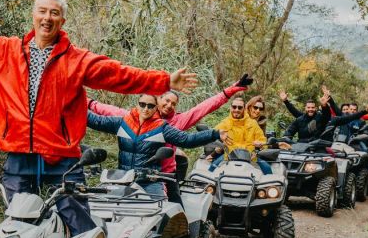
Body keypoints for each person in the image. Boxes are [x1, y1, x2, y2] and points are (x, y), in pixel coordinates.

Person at [0, 0, 199, 238]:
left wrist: (164, 81)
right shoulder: (5, 51)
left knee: (80, 225)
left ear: (62, 20)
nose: (47, 18)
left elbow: (119, 74)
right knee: (16, 227)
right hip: (18, 155)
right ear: (33, 15)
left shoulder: (77, 60)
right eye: (42, 11)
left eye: (54, 13)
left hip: (61, 157)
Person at [87, 72, 254, 201]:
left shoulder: (175, 123)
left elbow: (203, 110)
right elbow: (102, 112)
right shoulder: (129, 119)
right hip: (128, 176)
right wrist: (82, 101)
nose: (168, 105)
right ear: (157, 99)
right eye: (166, 101)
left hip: (163, 175)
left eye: (173, 103)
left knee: (175, 214)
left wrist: (230, 90)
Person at [86, 95, 226, 197]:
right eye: (142, 104)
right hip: (122, 179)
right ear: (137, 104)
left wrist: (214, 134)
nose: (146, 109)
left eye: (150, 106)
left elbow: (187, 140)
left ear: (156, 108)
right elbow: (95, 120)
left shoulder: (161, 127)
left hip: (150, 181)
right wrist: (70, 100)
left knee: (163, 217)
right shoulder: (122, 122)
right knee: (104, 211)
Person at [211, 95, 272, 174]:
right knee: (212, 168)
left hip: (250, 157)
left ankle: (271, 186)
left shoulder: (253, 123)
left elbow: (263, 141)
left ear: (244, 109)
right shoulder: (225, 123)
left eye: (240, 107)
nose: (236, 109)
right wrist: (214, 150)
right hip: (229, 157)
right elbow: (211, 134)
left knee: (267, 168)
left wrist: (260, 145)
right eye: (234, 107)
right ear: (230, 108)